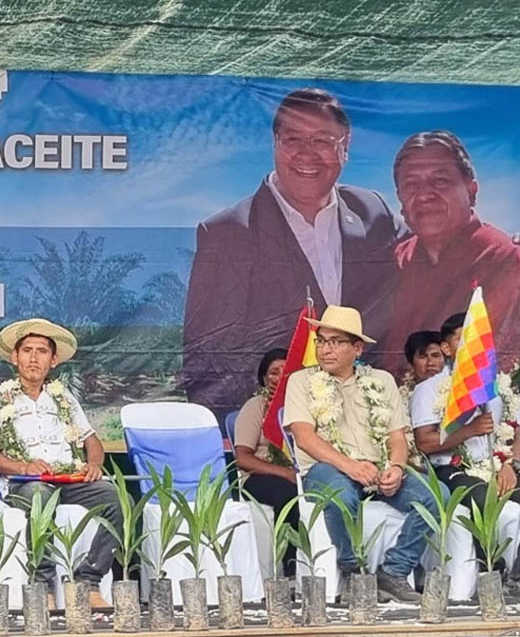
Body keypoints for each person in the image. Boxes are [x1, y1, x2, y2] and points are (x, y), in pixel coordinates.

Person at [184, 88, 403, 414]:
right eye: (294, 140)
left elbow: (432, 256)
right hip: (275, 425)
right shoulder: (227, 232)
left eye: (322, 141)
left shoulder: (373, 211)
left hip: (363, 416)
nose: (307, 154)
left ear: (345, 146)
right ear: (275, 144)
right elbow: (207, 356)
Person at [284, 305, 438, 603]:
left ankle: (393, 571)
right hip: (326, 468)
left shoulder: (381, 381)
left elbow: (397, 436)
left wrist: (396, 466)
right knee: (342, 495)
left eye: (335, 342)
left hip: (378, 468)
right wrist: (351, 467)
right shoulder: (301, 382)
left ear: (357, 348)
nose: (325, 349)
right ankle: (354, 572)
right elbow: (303, 437)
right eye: (321, 340)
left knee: (436, 497)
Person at [0, 318, 121, 607]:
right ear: (14, 357)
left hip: (68, 479)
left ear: (53, 360)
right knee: (40, 497)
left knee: (114, 498)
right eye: (27, 350)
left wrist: (94, 465)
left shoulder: (64, 397)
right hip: (25, 483)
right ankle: (43, 588)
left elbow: (92, 440)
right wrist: (24, 467)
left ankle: (88, 581)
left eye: (42, 351)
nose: (33, 357)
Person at [386, 131, 520, 368]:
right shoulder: (398, 260)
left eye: (440, 181)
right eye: (412, 185)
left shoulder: (505, 260)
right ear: (400, 199)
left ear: (471, 191)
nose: (425, 195)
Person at [410, 312, 520, 596]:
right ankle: (495, 573)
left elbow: (513, 431)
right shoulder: (429, 389)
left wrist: (510, 463)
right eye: (463, 337)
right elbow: (425, 442)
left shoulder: (498, 386)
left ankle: (516, 577)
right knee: (489, 503)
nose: (474, 343)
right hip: (452, 470)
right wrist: (468, 430)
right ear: (447, 348)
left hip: (497, 468)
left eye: (479, 337)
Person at [231, 348, 298, 577]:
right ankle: (290, 566)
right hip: (259, 476)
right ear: (264, 378)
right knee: (288, 494)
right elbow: (243, 458)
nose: (280, 377)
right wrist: (284, 472)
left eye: (286, 371)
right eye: (273, 372)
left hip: (301, 472)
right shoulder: (255, 407)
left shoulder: (304, 407)